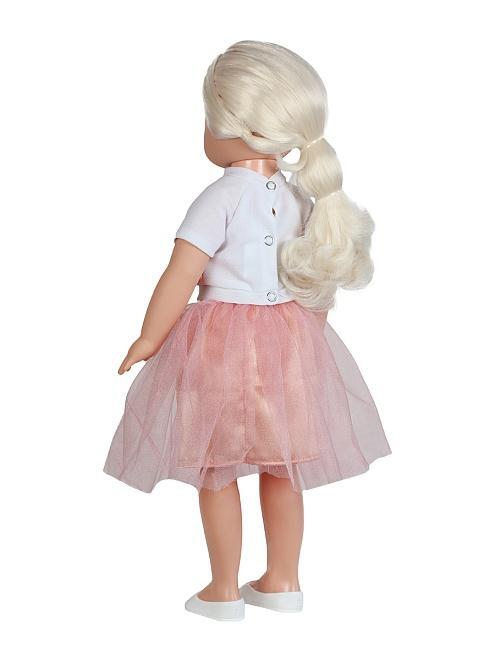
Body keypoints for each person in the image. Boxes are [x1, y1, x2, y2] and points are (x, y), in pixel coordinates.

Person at [103, 40, 391, 622]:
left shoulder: (220, 197)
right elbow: (311, 277)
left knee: (217, 466)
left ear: (234, 127)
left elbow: (180, 275)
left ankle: (223, 590)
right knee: (284, 465)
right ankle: (283, 580)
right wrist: (307, 338)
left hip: (220, 344)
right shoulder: (303, 199)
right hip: (289, 341)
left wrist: (149, 338)